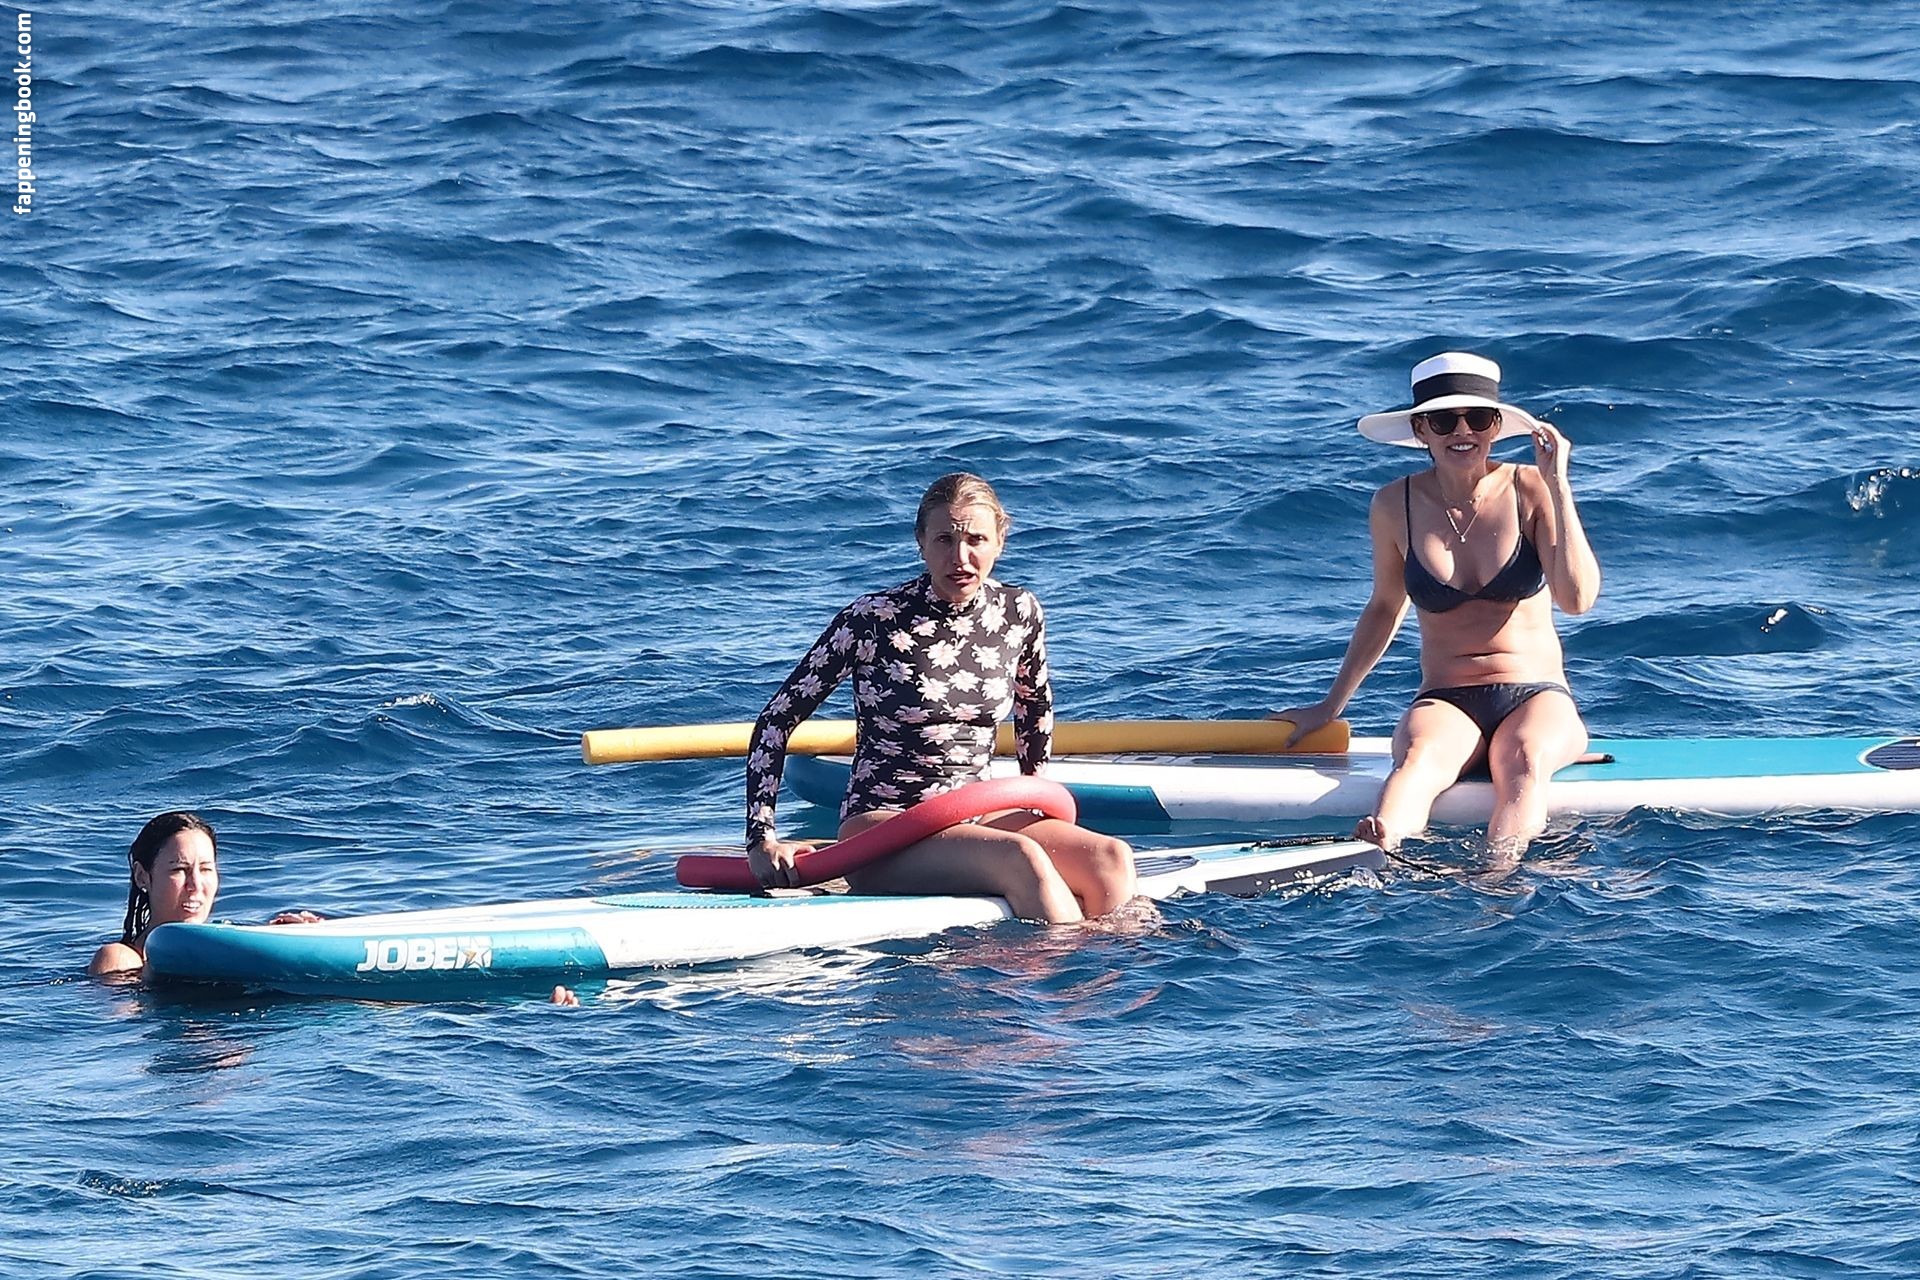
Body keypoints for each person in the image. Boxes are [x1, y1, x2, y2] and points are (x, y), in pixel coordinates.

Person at [743, 472, 1135, 922]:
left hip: (980, 814)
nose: (960, 558)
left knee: (1111, 857)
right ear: (921, 543)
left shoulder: (1019, 612)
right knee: (1021, 858)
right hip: (883, 829)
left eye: (976, 540)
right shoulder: (873, 619)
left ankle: (1119, 964)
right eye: (945, 540)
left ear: (1000, 541)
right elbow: (776, 720)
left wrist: (1035, 798)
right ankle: (1065, 964)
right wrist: (761, 837)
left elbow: (1035, 707)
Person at [1275, 352, 1601, 857]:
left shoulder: (1530, 488)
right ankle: (1380, 849)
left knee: (1523, 760)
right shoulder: (1394, 504)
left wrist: (1558, 483)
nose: (1462, 431)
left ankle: (1500, 869)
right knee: (1418, 761)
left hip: (1536, 696)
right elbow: (1385, 607)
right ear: (1421, 430)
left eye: (1479, 418)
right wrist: (1330, 706)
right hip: (1447, 698)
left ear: (1496, 427)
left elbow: (1577, 599)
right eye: (1445, 420)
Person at [88, 810, 324, 976]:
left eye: (205, 869)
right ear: (142, 876)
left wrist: (281, 943)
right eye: (179, 870)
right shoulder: (120, 959)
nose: (196, 884)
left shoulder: (222, 946)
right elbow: (122, 1024)